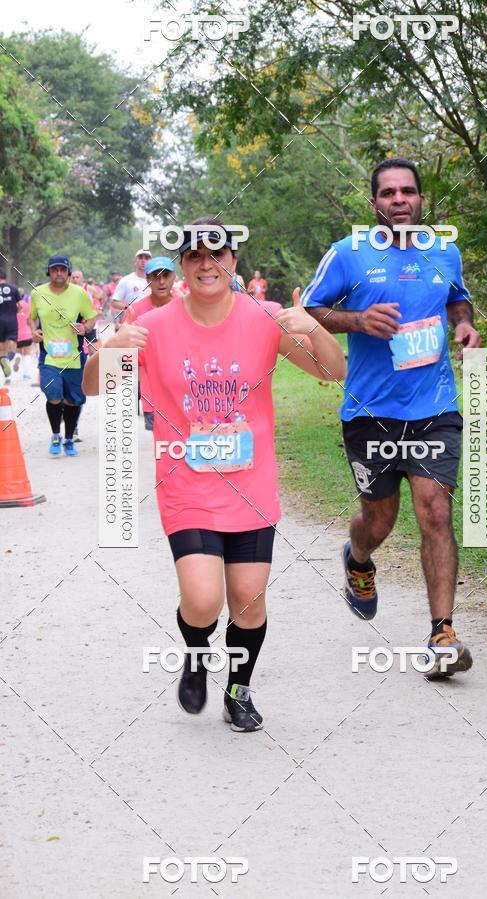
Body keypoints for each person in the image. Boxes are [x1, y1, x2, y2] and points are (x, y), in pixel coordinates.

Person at [84, 217, 346, 731]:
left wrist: (314, 326)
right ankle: (196, 652)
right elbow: (95, 387)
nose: (207, 264)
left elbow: (334, 371)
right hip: (187, 485)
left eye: (217, 253)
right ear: (182, 266)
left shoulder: (264, 317)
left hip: (251, 487)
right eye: (195, 256)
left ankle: (238, 690)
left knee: (248, 602)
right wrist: (107, 347)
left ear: (233, 260)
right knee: (203, 602)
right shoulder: (153, 326)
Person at [302, 157, 481, 677]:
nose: (399, 200)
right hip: (371, 413)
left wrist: (463, 325)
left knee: (436, 512)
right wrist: (357, 319)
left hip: (434, 408)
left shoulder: (444, 251)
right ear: (374, 203)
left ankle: (442, 634)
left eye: (408, 191)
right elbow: (310, 309)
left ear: (421, 200)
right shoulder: (348, 253)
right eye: (388, 193)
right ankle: (358, 559)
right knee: (379, 521)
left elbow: (458, 300)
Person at [29, 255, 97, 457]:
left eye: (62, 269)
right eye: (54, 269)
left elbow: (92, 318)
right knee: (53, 396)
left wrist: (85, 327)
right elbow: (31, 318)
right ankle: (56, 435)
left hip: (74, 358)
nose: (59, 273)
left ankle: (68, 439)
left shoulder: (79, 294)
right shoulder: (37, 293)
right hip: (48, 357)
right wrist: (34, 331)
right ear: (48, 272)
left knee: (73, 400)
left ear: (68, 272)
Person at [123, 256, 178, 431]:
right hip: (151, 388)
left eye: (166, 276)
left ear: (174, 277)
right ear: (147, 280)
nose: (161, 282)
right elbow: (125, 347)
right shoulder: (135, 310)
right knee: (161, 437)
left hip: (183, 386)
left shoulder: (186, 305)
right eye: (155, 276)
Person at [111, 251, 151, 328]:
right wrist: (129, 308)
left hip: (150, 320)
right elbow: (114, 303)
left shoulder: (155, 280)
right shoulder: (126, 280)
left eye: (146, 258)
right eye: (140, 258)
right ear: (135, 261)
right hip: (132, 322)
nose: (143, 260)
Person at [0, 267, 21, 384]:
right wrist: (14, 312)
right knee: (12, 346)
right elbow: (21, 305)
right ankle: (9, 359)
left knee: (1, 350)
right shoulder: (13, 288)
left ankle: (7, 378)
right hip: (11, 320)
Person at [15, 290, 35, 380]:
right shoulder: (27, 307)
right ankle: (26, 374)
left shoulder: (12, 307)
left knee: (18, 352)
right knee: (27, 354)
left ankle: (17, 358)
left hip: (16, 334)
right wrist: (33, 331)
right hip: (27, 333)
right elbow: (30, 321)